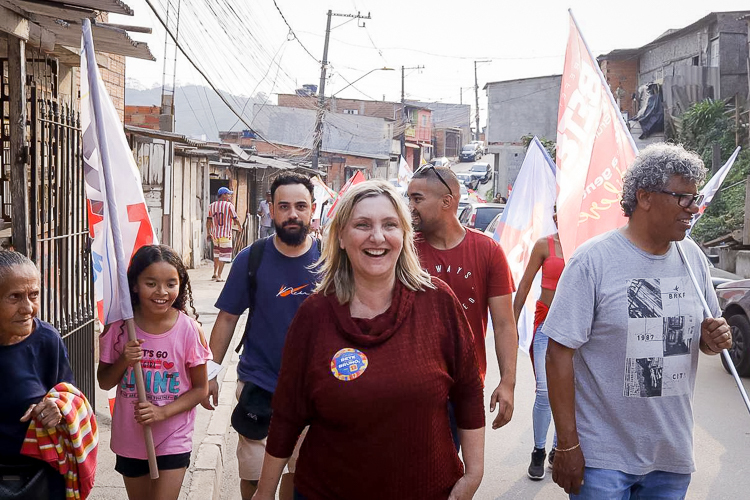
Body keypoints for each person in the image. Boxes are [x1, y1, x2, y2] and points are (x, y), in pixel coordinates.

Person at [252, 180, 485, 500]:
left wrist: (473, 474)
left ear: (404, 235)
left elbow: (468, 391)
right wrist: (264, 494)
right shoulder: (314, 315)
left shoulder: (439, 302)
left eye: (390, 224)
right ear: (342, 237)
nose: (378, 236)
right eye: (363, 224)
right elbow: (287, 414)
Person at [545, 143, 732, 498]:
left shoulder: (692, 258)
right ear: (644, 197)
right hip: (603, 458)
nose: (694, 208)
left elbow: (703, 342)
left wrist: (712, 339)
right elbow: (557, 354)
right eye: (683, 197)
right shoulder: (593, 261)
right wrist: (567, 445)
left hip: (670, 456)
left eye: (696, 197)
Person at [202, 173, 320, 500]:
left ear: (312, 210)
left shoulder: (331, 260)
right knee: (253, 478)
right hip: (259, 384)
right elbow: (227, 318)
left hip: (313, 391)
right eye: (284, 206)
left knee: (299, 476)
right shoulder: (250, 259)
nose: (292, 214)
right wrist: (210, 372)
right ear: (271, 209)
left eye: (300, 206)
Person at [407, 165, 517, 431]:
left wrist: (508, 383)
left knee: (454, 468)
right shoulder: (404, 250)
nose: (410, 206)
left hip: (464, 384)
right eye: (409, 198)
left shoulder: (488, 251)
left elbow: (504, 324)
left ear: (446, 201)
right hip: (410, 384)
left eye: (417, 198)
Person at [98, 245, 212, 500]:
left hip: (173, 434)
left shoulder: (189, 330)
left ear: (180, 285)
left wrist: (162, 412)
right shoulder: (118, 329)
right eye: (151, 283)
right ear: (135, 285)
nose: (162, 292)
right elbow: (104, 382)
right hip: (130, 436)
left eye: (171, 283)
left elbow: (200, 389)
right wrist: (124, 360)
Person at [0, 251, 74, 498]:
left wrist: (57, 409)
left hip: (40, 479)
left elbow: (69, 397)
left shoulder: (47, 340)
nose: (28, 308)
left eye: (34, 295)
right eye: (15, 297)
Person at [512, 223, 563, 480]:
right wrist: (511, 324)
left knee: (568, 391)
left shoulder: (587, 244)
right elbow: (524, 285)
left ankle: (558, 449)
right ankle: (539, 451)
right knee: (544, 391)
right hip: (545, 324)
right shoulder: (545, 244)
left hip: (576, 329)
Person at [207, 186, 240, 282]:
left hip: (215, 234)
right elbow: (235, 218)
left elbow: (208, 220)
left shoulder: (211, 206)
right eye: (228, 194)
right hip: (225, 234)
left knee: (216, 254)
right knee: (224, 255)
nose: (229, 196)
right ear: (223, 195)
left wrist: (208, 232)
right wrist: (239, 226)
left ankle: (214, 273)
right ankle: (219, 276)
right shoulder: (229, 205)